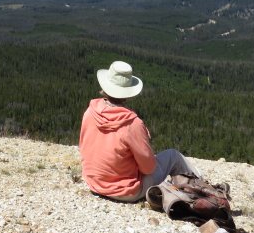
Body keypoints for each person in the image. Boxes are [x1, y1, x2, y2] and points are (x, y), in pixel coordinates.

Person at [79, 60, 201, 202]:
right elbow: (148, 169)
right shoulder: (132, 123)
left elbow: (83, 148)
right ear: (127, 92)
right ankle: (201, 188)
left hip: (94, 183)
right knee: (173, 156)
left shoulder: (90, 111)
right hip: (126, 191)